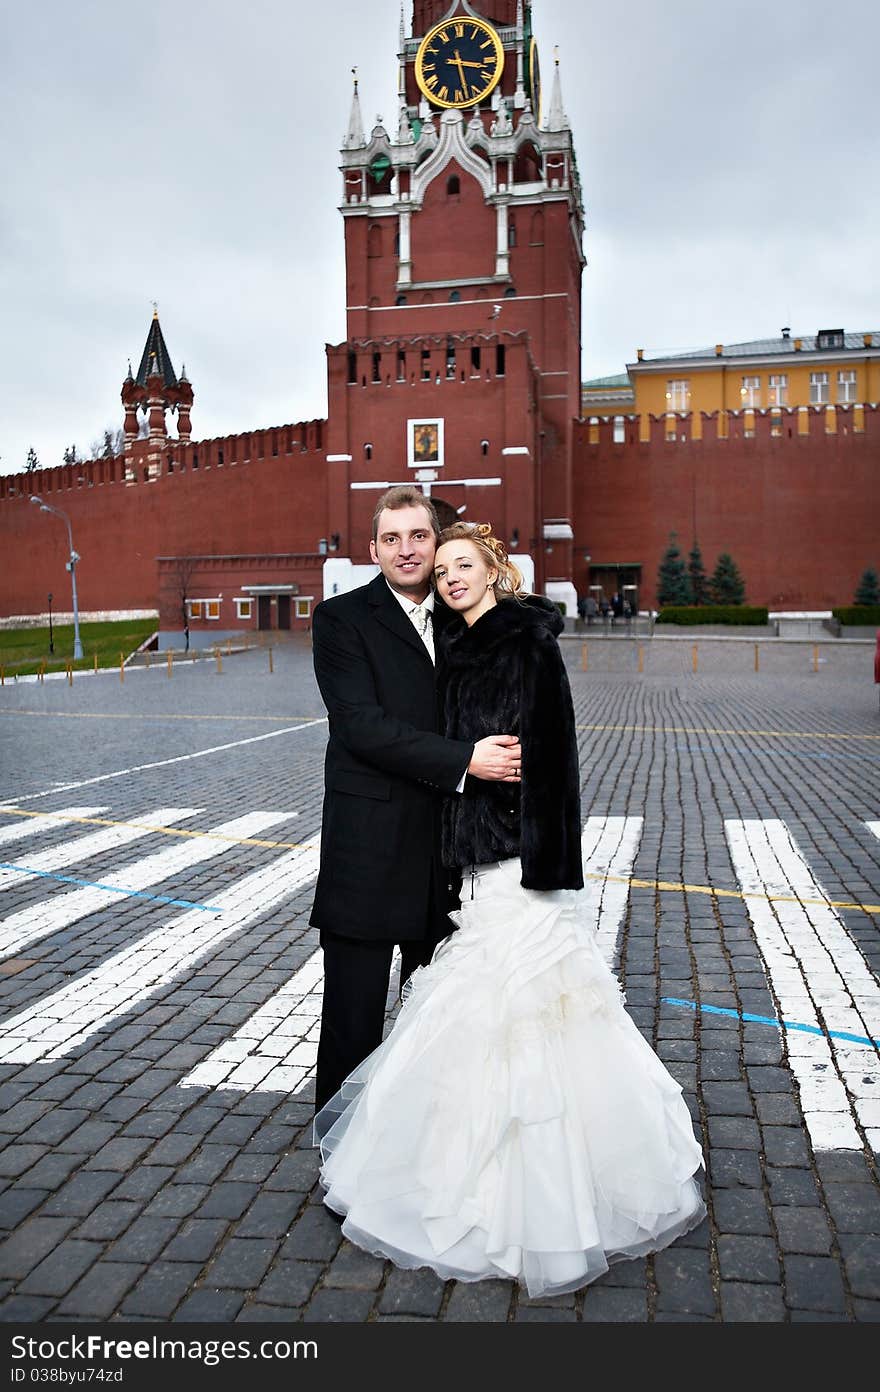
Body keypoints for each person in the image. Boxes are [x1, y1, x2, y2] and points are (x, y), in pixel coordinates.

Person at [315, 521, 706, 1297]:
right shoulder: (458, 641)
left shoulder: (524, 642)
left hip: (519, 868)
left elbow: (554, 762)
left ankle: (548, 1196)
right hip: (469, 866)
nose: (451, 574)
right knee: (472, 1023)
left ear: (497, 569)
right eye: (445, 565)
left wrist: (547, 869)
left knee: (532, 1021)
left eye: (464, 562)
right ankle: (443, 1167)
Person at [309, 487, 521, 1117]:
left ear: (438, 543)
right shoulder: (341, 620)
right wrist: (466, 761)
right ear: (373, 550)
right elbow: (360, 726)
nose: (407, 550)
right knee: (353, 1015)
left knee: (438, 1010)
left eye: (419, 536)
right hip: (368, 849)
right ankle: (337, 1147)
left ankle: (423, 1140)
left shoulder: (466, 619)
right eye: (392, 538)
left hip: (448, 851)